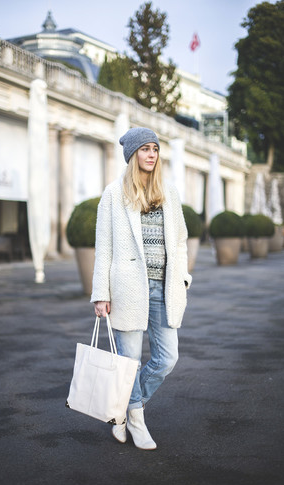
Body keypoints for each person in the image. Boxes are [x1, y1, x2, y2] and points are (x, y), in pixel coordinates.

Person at [91, 127, 192, 450]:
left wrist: (183, 276)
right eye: (145, 149)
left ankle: (124, 408)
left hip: (164, 287)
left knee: (167, 358)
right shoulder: (113, 194)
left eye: (155, 148)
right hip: (127, 288)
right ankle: (136, 419)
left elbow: (179, 240)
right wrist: (101, 294)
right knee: (128, 361)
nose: (151, 154)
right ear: (133, 155)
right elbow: (103, 247)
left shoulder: (169, 192)